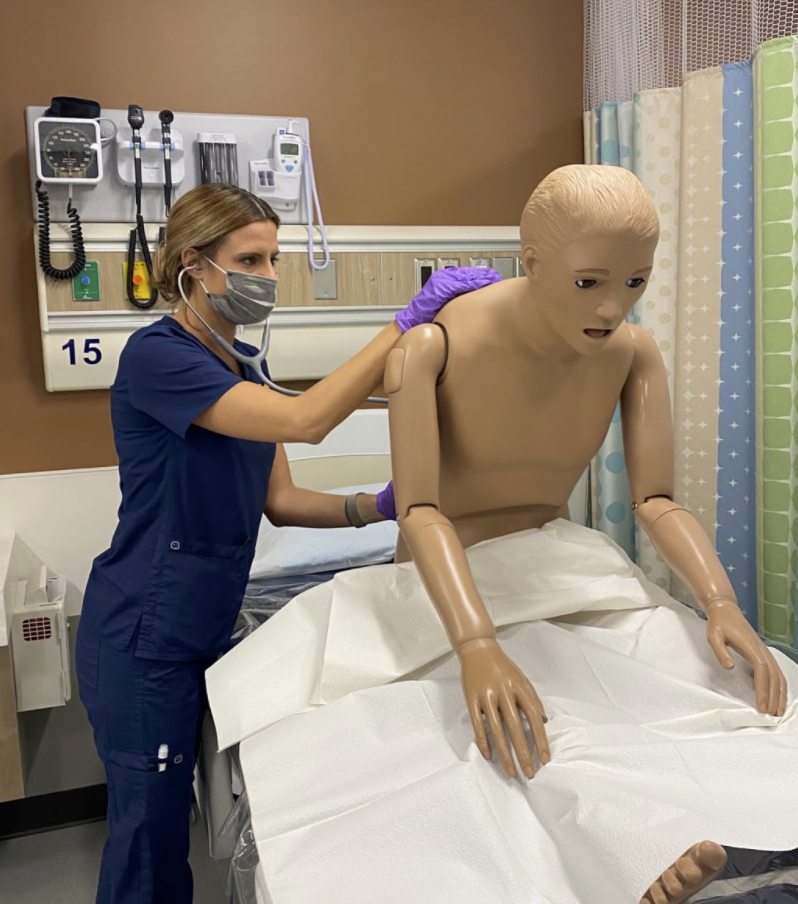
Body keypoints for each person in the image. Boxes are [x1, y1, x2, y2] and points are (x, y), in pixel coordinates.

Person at [75, 182, 499, 904]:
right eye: (251, 260)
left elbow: (282, 501)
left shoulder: (239, 366)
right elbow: (307, 422)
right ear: (193, 264)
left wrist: (380, 507)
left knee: (168, 827)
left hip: (201, 625)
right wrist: (404, 324)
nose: (269, 277)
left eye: (274, 259)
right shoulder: (157, 357)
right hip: (143, 632)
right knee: (148, 840)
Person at [384, 164, 788, 903]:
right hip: (447, 579)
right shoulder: (430, 351)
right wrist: (476, 644)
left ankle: (732, 809)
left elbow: (655, 498)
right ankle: (626, 851)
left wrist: (720, 602)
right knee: (529, 720)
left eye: (635, 281)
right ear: (532, 262)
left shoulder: (631, 353)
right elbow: (419, 510)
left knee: (702, 682)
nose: (612, 306)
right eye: (588, 282)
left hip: (558, 564)